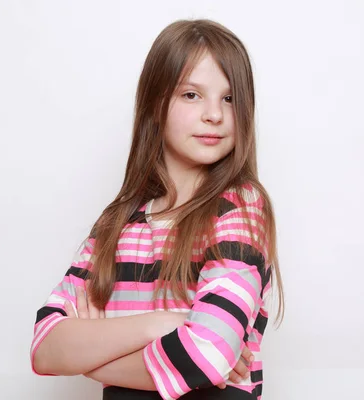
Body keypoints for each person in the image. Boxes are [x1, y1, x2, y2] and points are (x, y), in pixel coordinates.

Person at [30, 18, 284, 400]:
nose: (214, 114)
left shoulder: (239, 209)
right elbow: (46, 348)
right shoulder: (117, 224)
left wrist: (90, 358)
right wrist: (164, 324)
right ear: (155, 103)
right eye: (191, 95)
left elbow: (207, 357)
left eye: (229, 98)